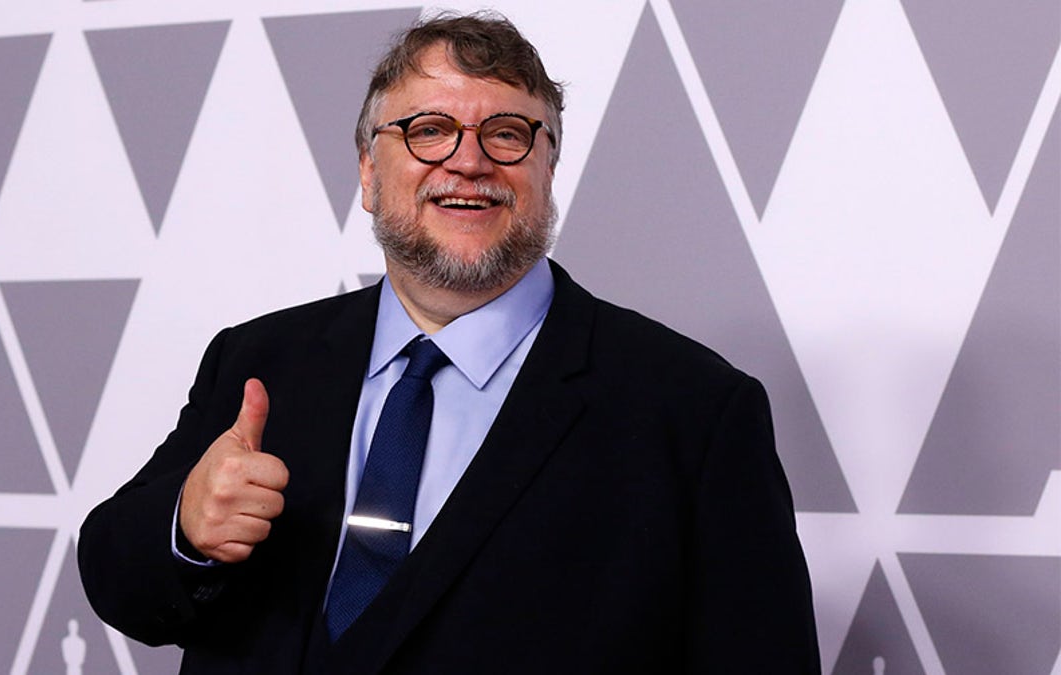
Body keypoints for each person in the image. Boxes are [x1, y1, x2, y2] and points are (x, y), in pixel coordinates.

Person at [79, 11, 820, 674]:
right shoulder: (259, 362)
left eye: (506, 133)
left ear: (547, 170)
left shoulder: (693, 413)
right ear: (370, 171)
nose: (468, 161)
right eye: (429, 129)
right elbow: (120, 580)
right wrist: (184, 526)